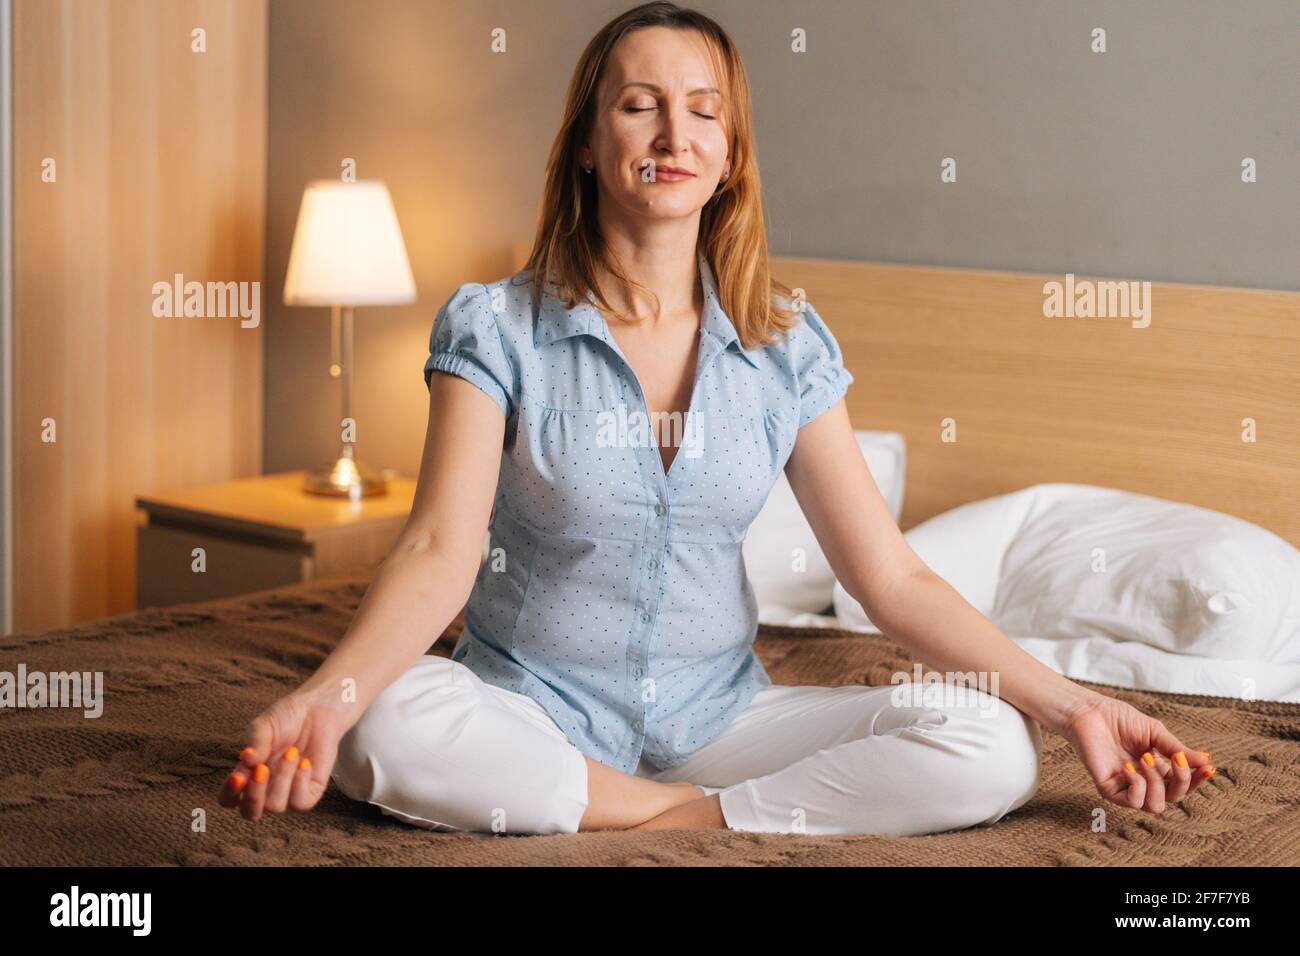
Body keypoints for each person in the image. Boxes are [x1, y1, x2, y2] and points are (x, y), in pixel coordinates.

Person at [218, 1, 1213, 837]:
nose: (671, 136)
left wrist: (1075, 702)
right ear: (586, 144)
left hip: (723, 719)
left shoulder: (784, 343)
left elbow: (891, 575)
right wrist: (327, 694)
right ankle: (690, 810)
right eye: (638, 106)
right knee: (382, 726)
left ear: (730, 153)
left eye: (702, 111)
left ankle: (672, 812)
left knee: (989, 739)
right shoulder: (497, 327)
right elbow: (437, 549)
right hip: (526, 706)